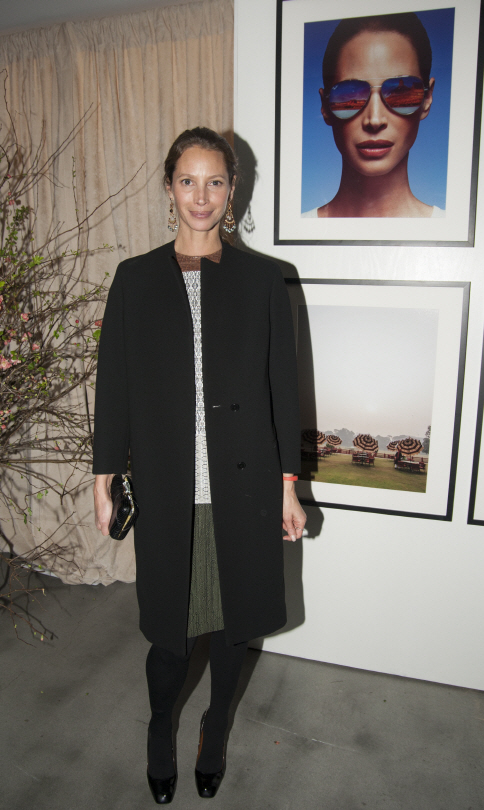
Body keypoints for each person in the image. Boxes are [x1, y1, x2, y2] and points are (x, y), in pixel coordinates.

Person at [92, 127, 307, 804]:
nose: (202, 196)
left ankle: (215, 731)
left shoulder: (264, 279)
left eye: (215, 181)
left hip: (244, 484)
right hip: (167, 486)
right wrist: (103, 477)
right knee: (171, 637)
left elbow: (283, 389)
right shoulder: (134, 280)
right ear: (169, 188)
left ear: (232, 189)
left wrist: (289, 486)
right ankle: (161, 727)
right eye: (188, 181)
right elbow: (114, 385)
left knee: (235, 627)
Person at [304, 13, 443, 218]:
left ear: (427, 98)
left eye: (400, 93)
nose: (375, 120)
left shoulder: (452, 229)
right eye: (350, 94)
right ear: (325, 106)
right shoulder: (294, 228)